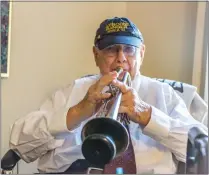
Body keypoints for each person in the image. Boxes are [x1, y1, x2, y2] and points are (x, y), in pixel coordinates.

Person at [9, 17, 208, 174]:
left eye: (130, 50)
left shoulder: (164, 93)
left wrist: (149, 116)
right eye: (111, 50)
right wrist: (77, 112)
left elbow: (203, 150)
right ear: (96, 55)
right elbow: (19, 143)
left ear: (142, 54)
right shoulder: (74, 90)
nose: (121, 59)